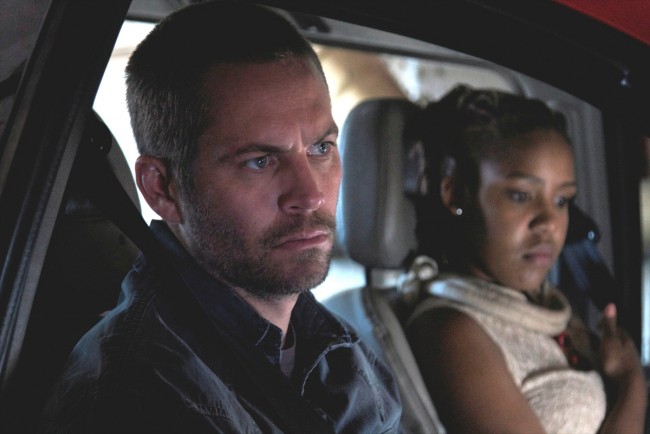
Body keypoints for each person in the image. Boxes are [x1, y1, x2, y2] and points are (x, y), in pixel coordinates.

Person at [39, 1, 401, 433]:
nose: (310, 195)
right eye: (259, 161)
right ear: (162, 188)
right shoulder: (141, 397)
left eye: (320, 148)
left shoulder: (338, 349)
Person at [405, 85, 647, 433]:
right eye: (521, 196)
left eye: (562, 200)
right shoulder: (453, 331)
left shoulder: (547, 306)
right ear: (456, 193)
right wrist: (631, 383)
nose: (549, 222)